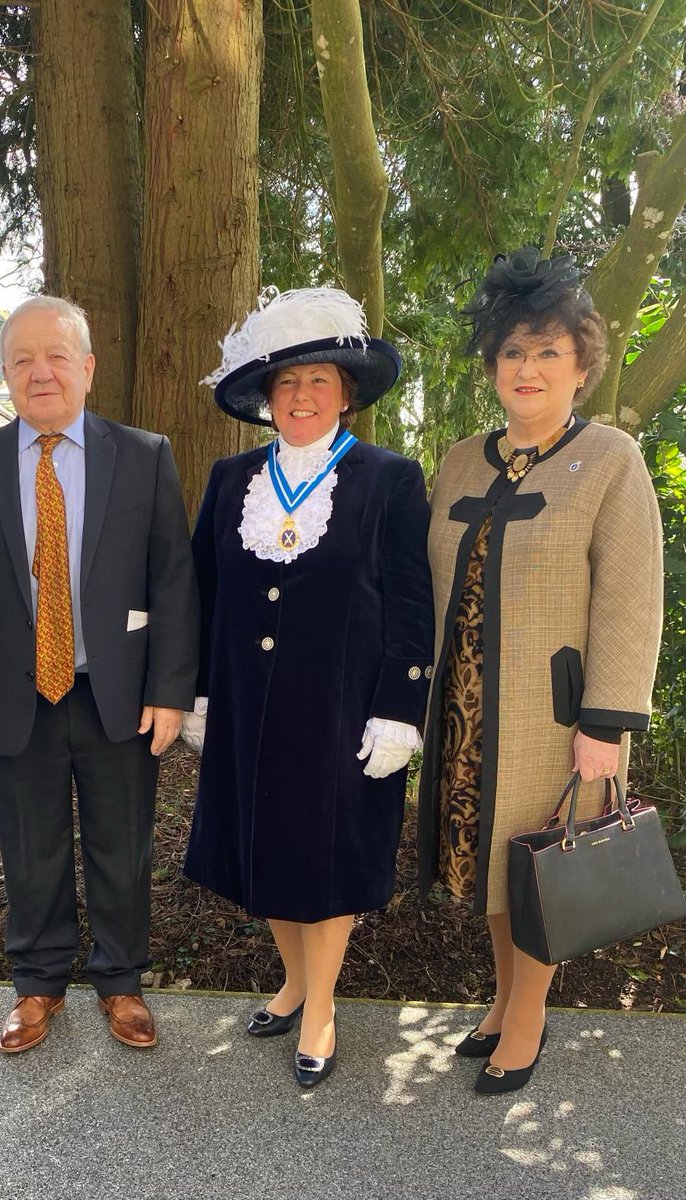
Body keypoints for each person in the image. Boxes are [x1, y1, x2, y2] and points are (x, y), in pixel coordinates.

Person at [418, 246, 664, 1094]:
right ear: (493, 365)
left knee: (539, 870)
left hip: (556, 719)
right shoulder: (458, 459)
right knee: (492, 864)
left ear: (582, 365)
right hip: (463, 712)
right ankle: (503, 997)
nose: (528, 368)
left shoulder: (611, 460)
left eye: (549, 351)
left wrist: (605, 724)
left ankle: (528, 1018)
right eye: (513, 351)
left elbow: (632, 603)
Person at [0, 296, 198, 1054]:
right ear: (6, 374)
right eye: (21, 360)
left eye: (55, 357)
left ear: (87, 367)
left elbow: (173, 580)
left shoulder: (143, 455)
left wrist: (170, 689)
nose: (39, 372)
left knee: (123, 844)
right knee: (29, 845)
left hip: (116, 694)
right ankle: (38, 982)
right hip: (13, 696)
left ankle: (120, 981)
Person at [181, 288, 434, 1087]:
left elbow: (409, 602)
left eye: (317, 381)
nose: (300, 396)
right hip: (248, 709)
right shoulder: (230, 481)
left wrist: (401, 708)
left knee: (325, 863)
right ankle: (293, 980)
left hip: (342, 711)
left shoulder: (388, 478)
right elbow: (201, 594)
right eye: (285, 384)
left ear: (347, 393)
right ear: (264, 399)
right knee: (269, 854)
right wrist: (197, 693)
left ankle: (320, 1004)